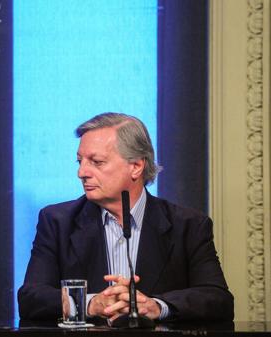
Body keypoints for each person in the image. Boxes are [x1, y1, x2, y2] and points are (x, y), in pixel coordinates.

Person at [18, 112, 233, 322]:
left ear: (136, 167)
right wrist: (90, 303)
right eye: (80, 161)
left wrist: (157, 307)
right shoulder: (57, 221)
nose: (82, 172)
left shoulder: (188, 225)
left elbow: (218, 300)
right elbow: (30, 299)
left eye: (96, 162)